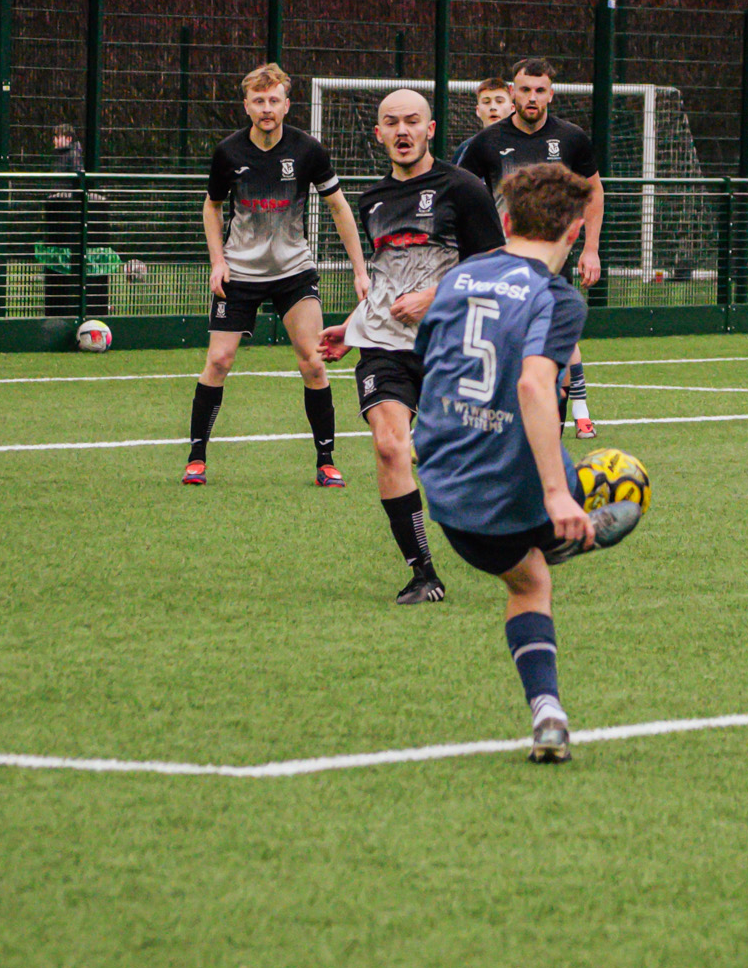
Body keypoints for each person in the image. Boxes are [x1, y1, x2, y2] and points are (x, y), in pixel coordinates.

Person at [412, 162, 636, 763]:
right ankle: (577, 529)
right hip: (506, 487)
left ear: (505, 219)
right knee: (545, 564)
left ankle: (570, 528)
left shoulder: (460, 277)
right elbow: (537, 388)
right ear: (575, 233)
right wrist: (558, 491)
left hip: (444, 483)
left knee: (526, 568)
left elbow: (430, 358)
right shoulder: (556, 297)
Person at [319, 88, 507, 603]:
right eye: (391, 123)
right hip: (383, 345)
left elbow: (497, 268)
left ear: (430, 129)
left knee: (467, 460)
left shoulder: (463, 188)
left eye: (412, 122)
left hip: (452, 344)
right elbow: (385, 280)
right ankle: (423, 573)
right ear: (378, 133)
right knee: (388, 444)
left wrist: (436, 295)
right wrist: (351, 325)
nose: (402, 131)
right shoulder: (372, 201)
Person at [184, 63, 370, 487]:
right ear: (246, 105)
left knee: (314, 363)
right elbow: (211, 207)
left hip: (294, 271)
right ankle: (196, 458)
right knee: (218, 360)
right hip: (240, 272)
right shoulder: (228, 153)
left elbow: (339, 207)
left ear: (287, 105)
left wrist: (360, 269)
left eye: (274, 101)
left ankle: (326, 462)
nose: (266, 109)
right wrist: (218, 261)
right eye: (258, 101)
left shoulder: (308, 150)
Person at [454, 57, 605, 437]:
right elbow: (464, 197)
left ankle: (560, 420)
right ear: (512, 93)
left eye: (540, 90)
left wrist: (591, 249)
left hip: (553, 261)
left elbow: (594, 191)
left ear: (551, 94)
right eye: (524, 90)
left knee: (556, 340)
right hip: (503, 261)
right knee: (501, 342)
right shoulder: (486, 143)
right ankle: (489, 423)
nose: (532, 97)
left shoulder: (571, 138)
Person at [452, 77, 514, 165]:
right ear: (478, 110)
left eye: (499, 101)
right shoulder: (466, 148)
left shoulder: (523, 145)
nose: (493, 107)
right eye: (486, 102)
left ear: (512, 108)